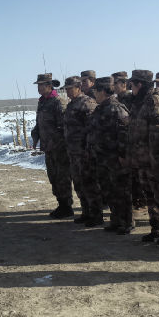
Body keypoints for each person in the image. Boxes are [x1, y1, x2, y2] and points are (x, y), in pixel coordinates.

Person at [127, 69, 159, 245]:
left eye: (132, 84)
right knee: (150, 196)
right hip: (144, 159)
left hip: (157, 161)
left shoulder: (155, 100)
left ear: (139, 84)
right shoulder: (140, 101)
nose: (130, 88)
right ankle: (156, 228)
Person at [88, 77, 132, 233]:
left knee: (121, 190)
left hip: (115, 158)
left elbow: (125, 134)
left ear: (102, 91)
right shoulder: (100, 109)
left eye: (96, 91)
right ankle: (116, 220)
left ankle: (126, 222)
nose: (94, 94)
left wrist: (123, 154)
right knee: (108, 190)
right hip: (102, 157)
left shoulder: (117, 108)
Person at [31, 73, 73, 218]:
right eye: (38, 85)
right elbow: (39, 123)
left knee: (62, 176)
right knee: (53, 176)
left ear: (49, 86)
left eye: (41, 85)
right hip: (48, 147)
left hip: (59, 147)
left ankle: (66, 206)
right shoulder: (42, 101)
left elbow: (63, 127)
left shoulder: (58, 102)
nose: (39, 88)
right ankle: (61, 203)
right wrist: (35, 137)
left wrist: (56, 142)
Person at [63, 76, 101, 225]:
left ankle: (96, 215)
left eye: (69, 88)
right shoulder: (72, 104)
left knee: (90, 183)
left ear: (78, 88)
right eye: (66, 89)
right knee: (79, 184)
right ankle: (86, 212)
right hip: (73, 152)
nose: (67, 91)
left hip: (85, 152)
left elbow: (93, 129)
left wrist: (89, 149)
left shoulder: (87, 103)